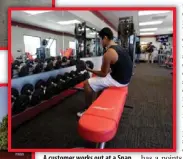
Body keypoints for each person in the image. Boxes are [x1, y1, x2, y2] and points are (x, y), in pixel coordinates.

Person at [77, 27, 133, 117]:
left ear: (105, 38)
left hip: (118, 81)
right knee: (100, 83)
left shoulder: (108, 53)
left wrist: (88, 69)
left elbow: (103, 74)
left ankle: (88, 109)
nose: (100, 42)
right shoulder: (119, 47)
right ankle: (97, 104)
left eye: (100, 40)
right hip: (126, 79)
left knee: (86, 83)